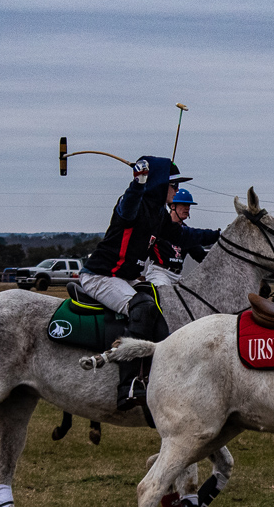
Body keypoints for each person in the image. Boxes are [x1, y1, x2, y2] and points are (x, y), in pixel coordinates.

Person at [80, 156, 191, 409]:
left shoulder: (159, 214)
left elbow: (185, 235)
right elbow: (127, 208)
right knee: (144, 307)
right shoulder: (134, 203)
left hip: (124, 278)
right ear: (160, 184)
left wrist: (223, 236)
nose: (176, 190)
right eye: (173, 185)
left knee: (161, 308)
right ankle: (127, 385)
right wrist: (138, 183)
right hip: (100, 275)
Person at [143, 188, 221, 295]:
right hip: (159, 273)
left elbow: (201, 256)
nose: (187, 208)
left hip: (177, 276)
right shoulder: (160, 227)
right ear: (172, 206)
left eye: (189, 206)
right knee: (164, 296)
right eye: (183, 205)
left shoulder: (185, 232)